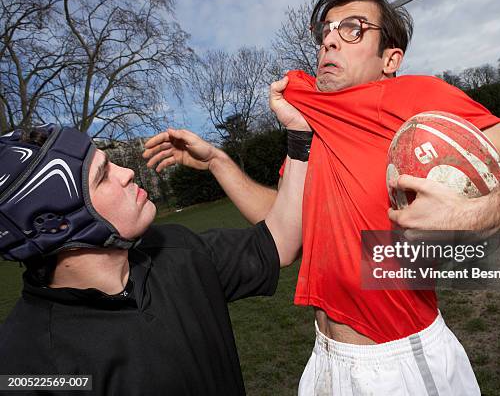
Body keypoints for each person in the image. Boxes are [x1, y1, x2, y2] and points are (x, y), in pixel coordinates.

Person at [144, 0, 500, 395]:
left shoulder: (416, 98)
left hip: (400, 362)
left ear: (390, 58)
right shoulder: (307, 124)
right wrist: (219, 163)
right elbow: (287, 233)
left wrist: (479, 213)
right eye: (325, 31)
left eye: (352, 28)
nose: (330, 40)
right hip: (323, 360)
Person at [0, 84, 310, 395]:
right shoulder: (29, 366)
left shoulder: (177, 250)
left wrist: (295, 135)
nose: (127, 173)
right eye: (102, 176)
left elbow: (280, 241)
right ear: (58, 225)